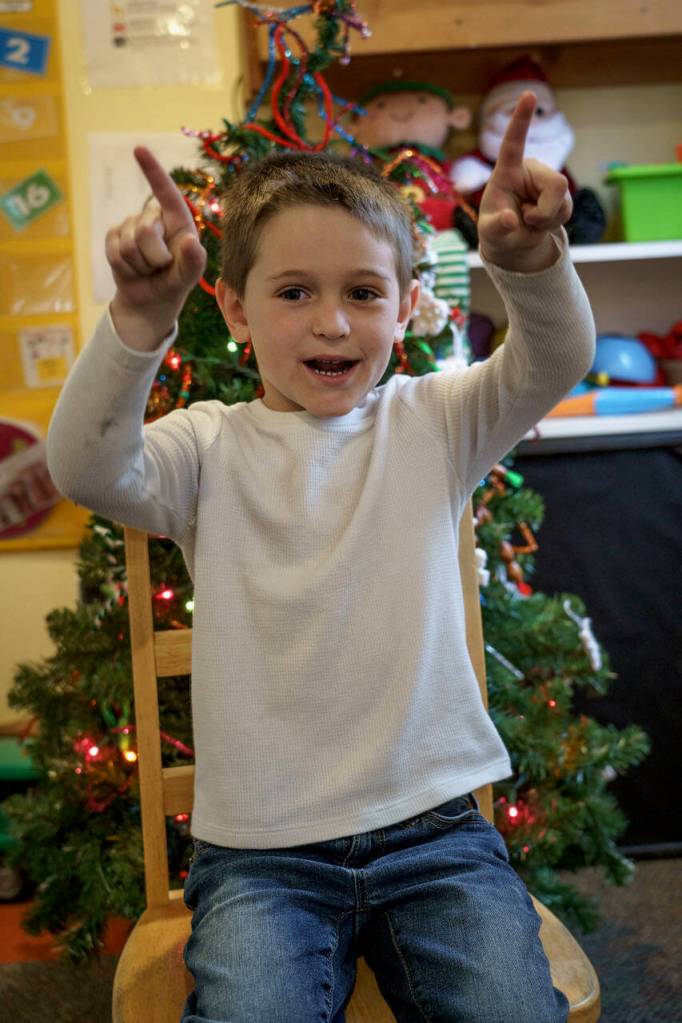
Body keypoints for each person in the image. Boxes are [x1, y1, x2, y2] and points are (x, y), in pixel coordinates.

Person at [47, 93, 594, 1023]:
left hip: (438, 840)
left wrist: (528, 261)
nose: (333, 324)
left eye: (363, 292)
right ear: (235, 308)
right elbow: (86, 466)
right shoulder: (205, 445)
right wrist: (140, 315)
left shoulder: (436, 420)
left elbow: (555, 359)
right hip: (262, 856)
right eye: (294, 292)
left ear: (407, 302)